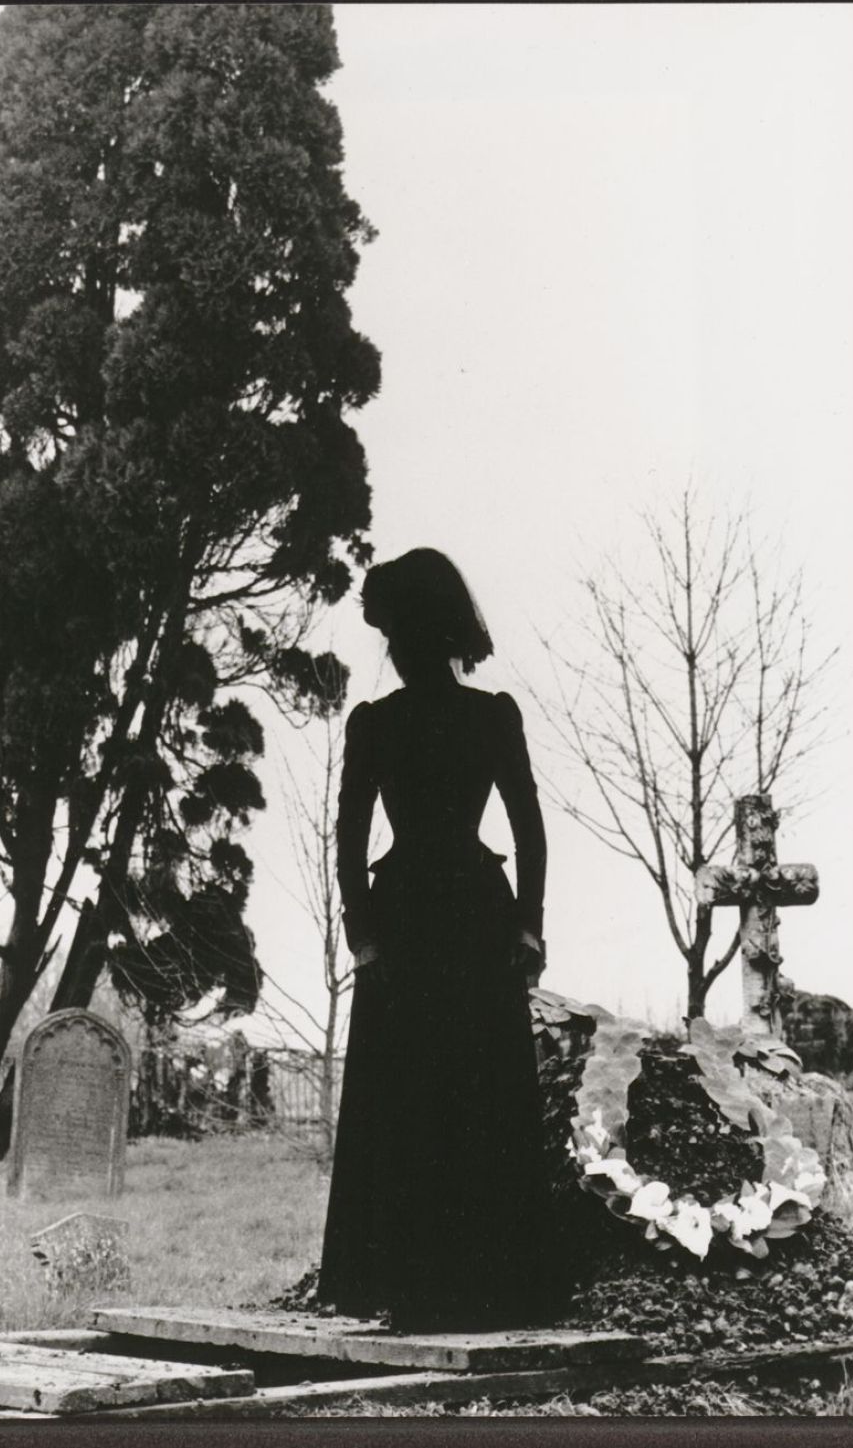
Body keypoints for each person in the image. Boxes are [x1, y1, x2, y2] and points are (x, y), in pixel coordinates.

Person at [316, 547, 567, 1332]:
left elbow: (526, 827)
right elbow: (349, 836)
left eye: (393, 630)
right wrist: (524, 923)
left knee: (439, 1095)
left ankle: (449, 1287)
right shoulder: (438, 718)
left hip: (422, 922)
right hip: (457, 916)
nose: (394, 646)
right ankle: (446, 1286)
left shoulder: (457, 716)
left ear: (405, 635)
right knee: (453, 1094)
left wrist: (366, 938)